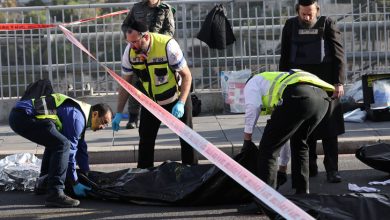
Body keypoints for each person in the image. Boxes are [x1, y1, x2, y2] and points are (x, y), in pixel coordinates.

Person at [112, 18, 198, 169]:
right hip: (151, 102)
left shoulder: (168, 46)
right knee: (145, 139)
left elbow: (187, 76)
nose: (132, 46)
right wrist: (118, 113)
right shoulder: (130, 52)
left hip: (175, 98)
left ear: (145, 36)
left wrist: (182, 103)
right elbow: (125, 84)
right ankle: (145, 175)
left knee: (188, 139)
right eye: (129, 43)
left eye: (135, 42)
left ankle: (192, 173)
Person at [278, 0, 345, 183]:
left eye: (310, 14)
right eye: (303, 14)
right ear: (297, 11)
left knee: (329, 128)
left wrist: (339, 83)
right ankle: (310, 166)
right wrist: (281, 83)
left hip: (326, 83)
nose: (307, 17)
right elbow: (284, 56)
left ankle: (332, 170)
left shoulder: (327, 24)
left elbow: (339, 54)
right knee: (305, 127)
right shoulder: (290, 25)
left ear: (317, 10)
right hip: (299, 83)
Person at [9, 93, 113, 208]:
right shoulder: (77, 118)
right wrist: (75, 183)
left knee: (56, 143)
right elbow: (71, 154)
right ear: (95, 114)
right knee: (63, 145)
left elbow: (81, 147)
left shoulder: (82, 114)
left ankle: (43, 184)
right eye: (103, 122)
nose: (103, 127)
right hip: (23, 116)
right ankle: (55, 193)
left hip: (21, 115)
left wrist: (86, 173)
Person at [243, 69, 333, 195]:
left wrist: (247, 139)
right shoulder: (277, 80)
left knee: (268, 148)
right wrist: (282, 169)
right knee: (300, 144)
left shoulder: (252, 82)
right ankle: (302, 193)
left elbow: (253, 107)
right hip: (323, 99)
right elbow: (284, 138)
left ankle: (267, 201)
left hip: (299, 96)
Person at [122, 0, 175, 129]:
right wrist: (131, 34)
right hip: (139, 50)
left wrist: (157, 42)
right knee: (135, 84)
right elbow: (125, 25)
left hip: (158, 52)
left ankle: (167, 116)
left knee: (162, 84)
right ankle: (133, 117)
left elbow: (170, 30)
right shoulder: (137, 7)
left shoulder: (165, 8)